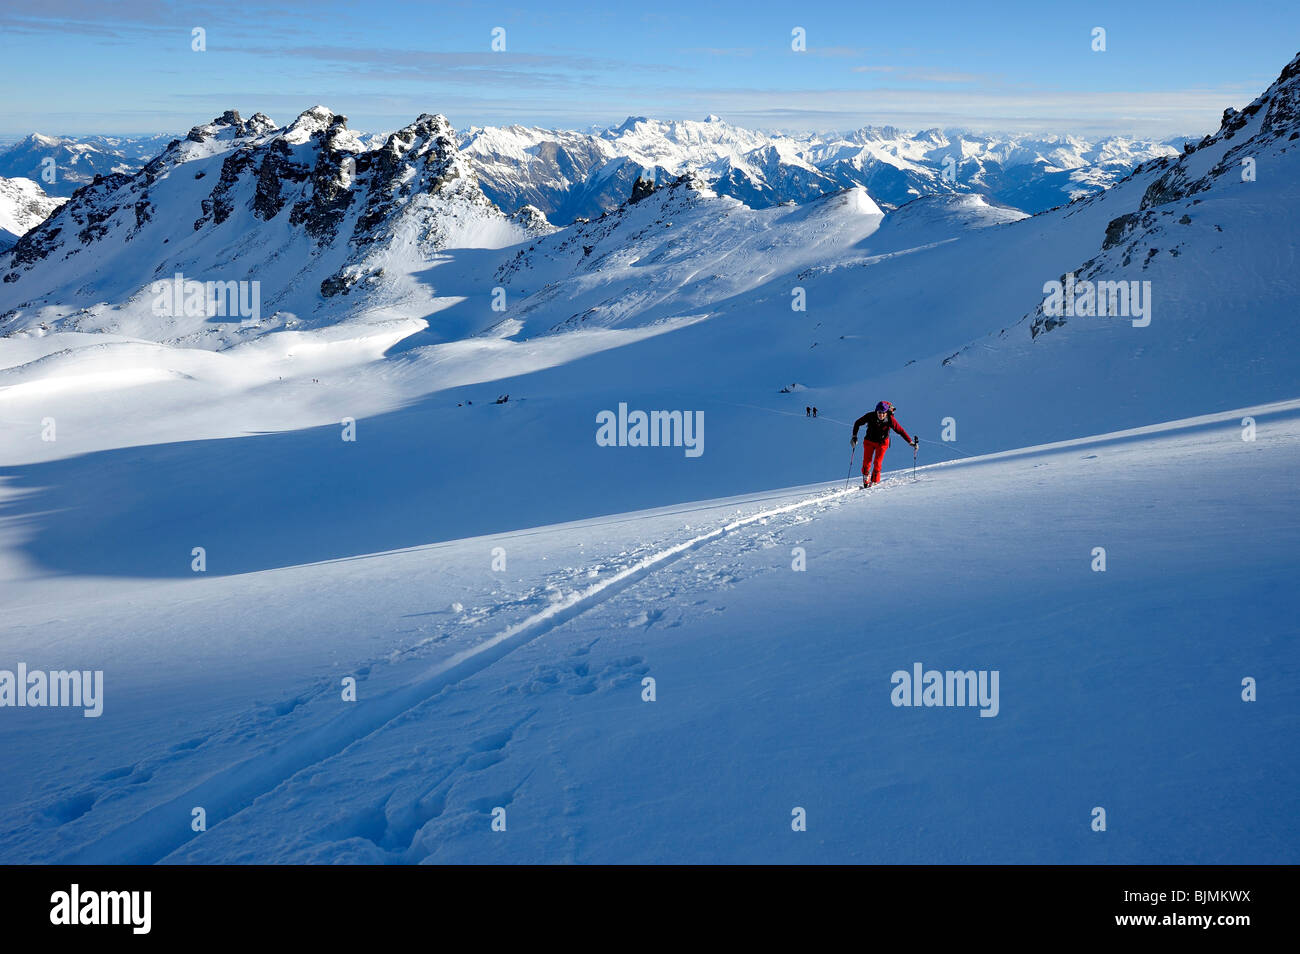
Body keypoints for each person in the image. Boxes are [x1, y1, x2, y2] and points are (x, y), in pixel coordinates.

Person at [850, 401, 916, 488]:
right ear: (876, 411)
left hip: (882, 443)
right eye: (879, 412)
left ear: (886, 412)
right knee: (866, 462)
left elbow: (900, 431)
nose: (881, 415)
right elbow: (857, 423)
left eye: (883, 413)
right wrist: (854, 436)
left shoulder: (890, 419)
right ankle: (866, 476)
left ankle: (874, 481)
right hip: (869, 441)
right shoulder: (870, 416)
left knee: (877, 462)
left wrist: (910, 442)